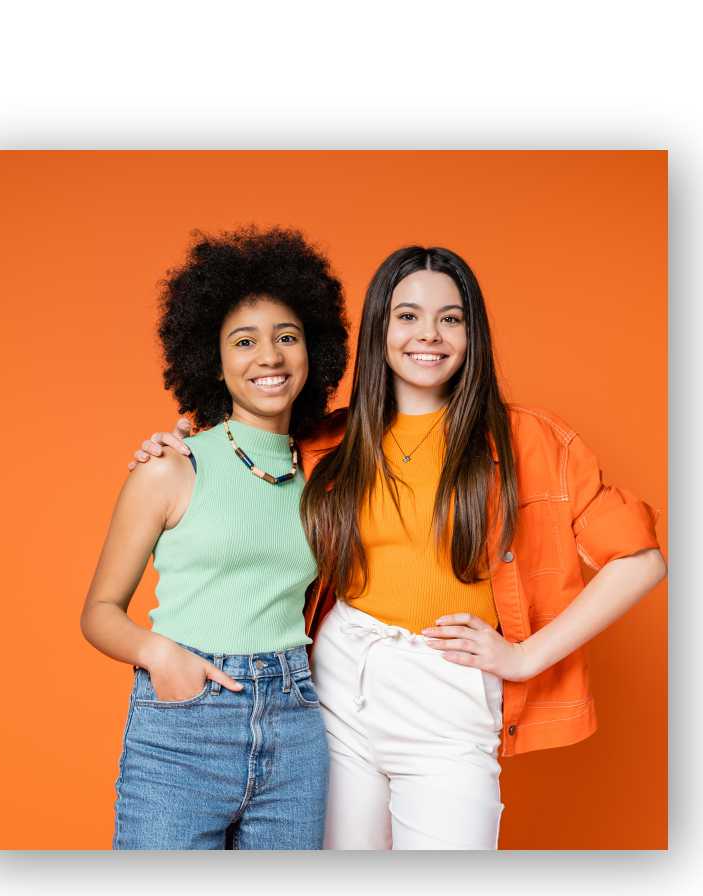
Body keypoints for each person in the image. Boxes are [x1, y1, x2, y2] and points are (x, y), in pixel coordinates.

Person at [132, 245, 666, 850]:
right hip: (337, 682)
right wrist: (177, 446)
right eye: (407, 316)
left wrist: (524, 658)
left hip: (448, 690)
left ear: (472, 333)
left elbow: (640, 559)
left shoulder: (529, 438)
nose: (428, 335)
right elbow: (241, 456)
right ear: (379, 330)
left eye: (450, 318)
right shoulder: (329, 441)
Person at [81, 226, 349, 850]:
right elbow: (99, 612)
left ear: (313, 349)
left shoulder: (325, 473)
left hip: (296, 727)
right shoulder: (171, 467)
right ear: (213, 359)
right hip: (184, 730)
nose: (269, 357)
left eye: (287, 337)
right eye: (244, 341)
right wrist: (162, 657)